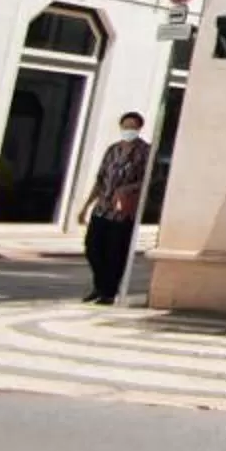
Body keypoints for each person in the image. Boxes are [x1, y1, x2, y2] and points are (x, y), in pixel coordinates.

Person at [77, 112, 152, 307]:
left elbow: (149, 180)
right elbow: (100, 179)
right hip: (103, 207)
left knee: (115, 252)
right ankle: (99, 286)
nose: (129, 130)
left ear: (139, 128)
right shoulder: (113, 150)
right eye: (126, 126)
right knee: (93, 248)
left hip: (123, 211)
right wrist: (86, 206)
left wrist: (128, 189)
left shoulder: (144, 152)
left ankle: (108, 292)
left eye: (133, 126)